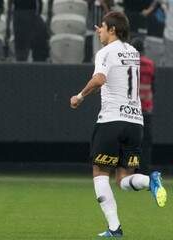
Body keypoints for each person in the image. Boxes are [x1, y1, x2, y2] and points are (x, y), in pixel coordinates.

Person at [70, 11, 167, 238]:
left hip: (112, 121)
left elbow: (100, 79)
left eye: (102, 27)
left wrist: (80, 96)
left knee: (99, 173)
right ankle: (150, 180)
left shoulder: (104, 52)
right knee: (123, 180)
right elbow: (118, 64)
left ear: (112, 29)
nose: (99, 31)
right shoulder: (132, 51)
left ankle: (115, 229)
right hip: (135, 123)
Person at [131, 37, 155, 174]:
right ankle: (144, 170)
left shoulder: (129, 63)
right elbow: (153, 87)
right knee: (146, 142)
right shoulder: (150, 65)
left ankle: (129, 169)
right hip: (146, 108)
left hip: (131, 110)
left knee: (131, 142)